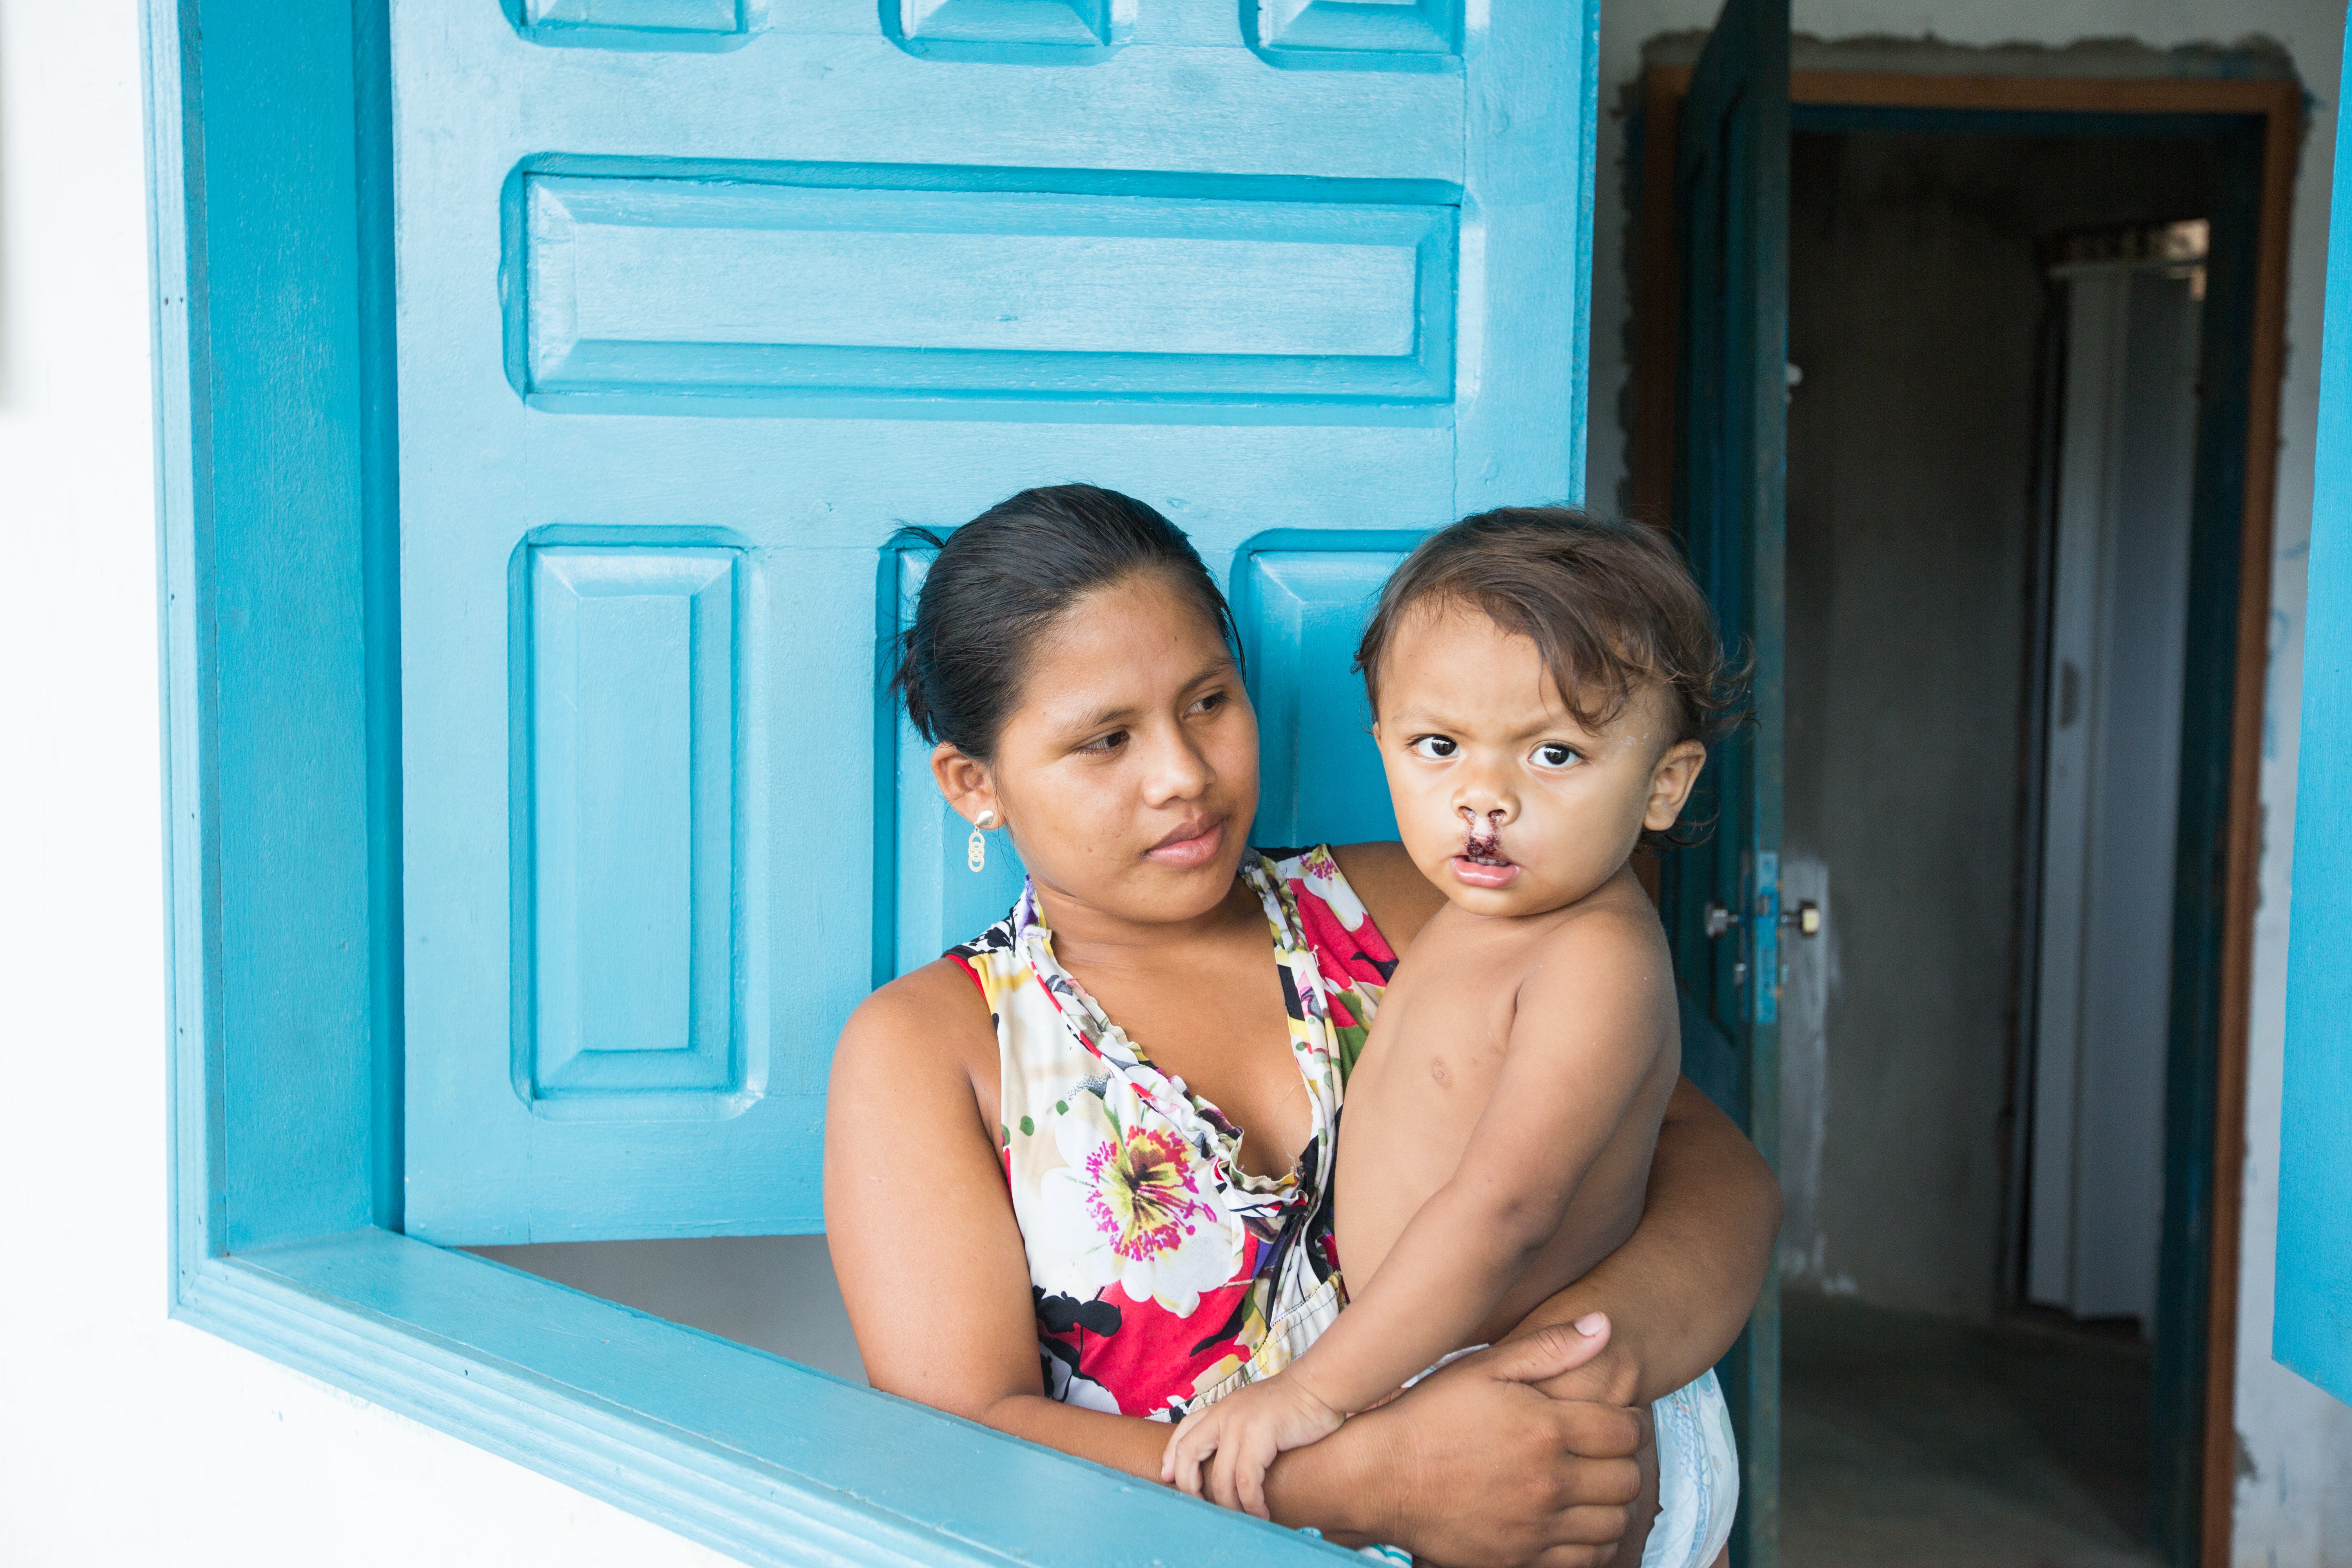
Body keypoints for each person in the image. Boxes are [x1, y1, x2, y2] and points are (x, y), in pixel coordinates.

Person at [825, 485, 1779, 1566]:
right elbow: (962, 1444)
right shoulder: (932, 1047)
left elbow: (1720, 1181)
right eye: (1105, 741)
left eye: (1208, 703)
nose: (1183, 775)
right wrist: (1371, 1484)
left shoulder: (1437, 907)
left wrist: (1577, 1388)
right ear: (974, 785)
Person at [1162, 510, 1740, 1568]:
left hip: (1558, 1424)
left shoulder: (1594, 960)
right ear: (1382, 741)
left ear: (1664, 783)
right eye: (1440, 747)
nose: (1485, 798)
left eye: (1555, 754)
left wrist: (1312, 1392)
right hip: (1454, 1379)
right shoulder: (1469, 915)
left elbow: (1504, 1208)